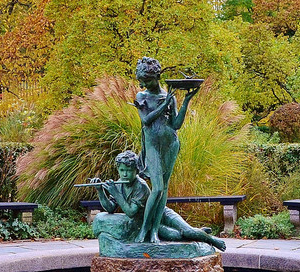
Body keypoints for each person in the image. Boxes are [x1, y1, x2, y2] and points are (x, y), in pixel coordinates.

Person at [91, 150, 225, 250]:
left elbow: (131, 212)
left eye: (129, 170)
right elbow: (110, 208)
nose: (125, 174)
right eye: (122, 170)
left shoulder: (141, 186)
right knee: (177, 236)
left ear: (136, 170)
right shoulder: (119, 184)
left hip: (161, 215)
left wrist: (116, 193)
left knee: (187, 232)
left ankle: (212, 240)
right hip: (147, 223)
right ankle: (198, 232)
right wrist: (100, 191)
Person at [133, 57, 198, 244]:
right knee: (157, 188)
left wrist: (185, 101)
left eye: (147, 80)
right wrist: (164, 104)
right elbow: (146, 120)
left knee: (164, 189)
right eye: (141, 80)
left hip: (170, 143)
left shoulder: (169, 96)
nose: (144, 83)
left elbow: (176, 124)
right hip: (152, 144)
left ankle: (154, 231)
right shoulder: (142, 97)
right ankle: (144, 229)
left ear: (157, 76)